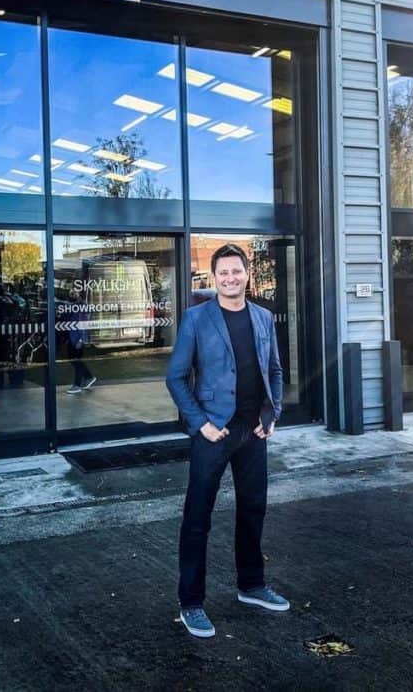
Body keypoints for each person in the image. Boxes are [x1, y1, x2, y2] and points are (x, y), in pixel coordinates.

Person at [166, 243, 288, 639]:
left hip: (253, 432)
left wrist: (272, 415)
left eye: (237, 271)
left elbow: (275, 371)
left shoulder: (264, 317)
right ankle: (191, 603)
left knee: (253, 509)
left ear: (247, 274)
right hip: (214, 433)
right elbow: (176, 377)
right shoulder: (197, 319)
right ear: (214, 277)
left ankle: (251, 586)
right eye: (223, 273)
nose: (231, 278)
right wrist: (200, 423)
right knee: (197, 518)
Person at [66, 290, 97, 395]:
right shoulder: (70, 305)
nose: (72, 295)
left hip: (78, 338)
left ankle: (77, 385)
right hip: (71, 337)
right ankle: (89, 377)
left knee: (77, 360)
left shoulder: (83, 306)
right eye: (70, 293)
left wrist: (81, 340)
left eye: (74, 293)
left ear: (80, 294)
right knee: (74, 360)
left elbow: (85, 324)